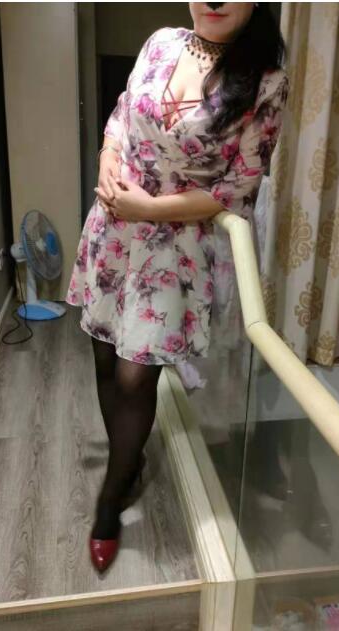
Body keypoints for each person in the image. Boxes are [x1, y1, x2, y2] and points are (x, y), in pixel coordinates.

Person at [66, 2, 289, 573]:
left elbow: (237, 189)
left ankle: (110, 502)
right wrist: (106, 157)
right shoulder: (161, 41)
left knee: (135, 374)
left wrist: (148, 208)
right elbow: (122, 112)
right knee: (101, 355)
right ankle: (128, 462)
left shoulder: (265, 81)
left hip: (174, 243)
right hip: (112, 229)